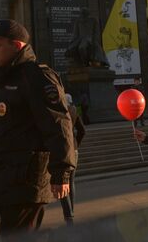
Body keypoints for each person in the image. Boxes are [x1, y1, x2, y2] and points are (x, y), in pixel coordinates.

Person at [0, 20, 75, 238]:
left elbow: (58, 125)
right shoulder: (6, 78)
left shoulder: (36, 76)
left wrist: (62, 173)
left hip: (26, 181)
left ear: (17, 46)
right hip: (9, 179)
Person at [60, 93, 86, 226]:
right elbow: (82, 130)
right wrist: (76, 144)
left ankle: (68, 217)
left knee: (62, 182)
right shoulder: (74, 111)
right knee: (71, 182)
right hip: (74, 150)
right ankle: (71, 212)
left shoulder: (60, 112)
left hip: (63, 151)